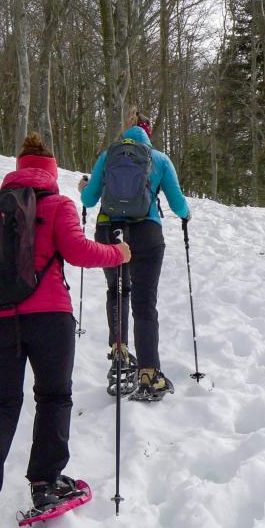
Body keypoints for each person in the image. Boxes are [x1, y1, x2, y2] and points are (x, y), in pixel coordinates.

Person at [0, 132, 131, 528]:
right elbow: (79, 251)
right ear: (50, 171)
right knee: (53, 397)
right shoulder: (58, 204)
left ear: (16, 169)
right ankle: (46, 483)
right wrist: (119, 254)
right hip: (49, 318)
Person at [79, 112, 191, 401]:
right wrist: (185, 214)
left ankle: (119, 354)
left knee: (117, 290)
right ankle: (149, 373)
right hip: (146, 234)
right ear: (148, 134)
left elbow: (89, 199)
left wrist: (86, 188)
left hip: (108, 230)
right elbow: (178, 203)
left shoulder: (108, 156)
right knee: (144, 302)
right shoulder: (159, 159)